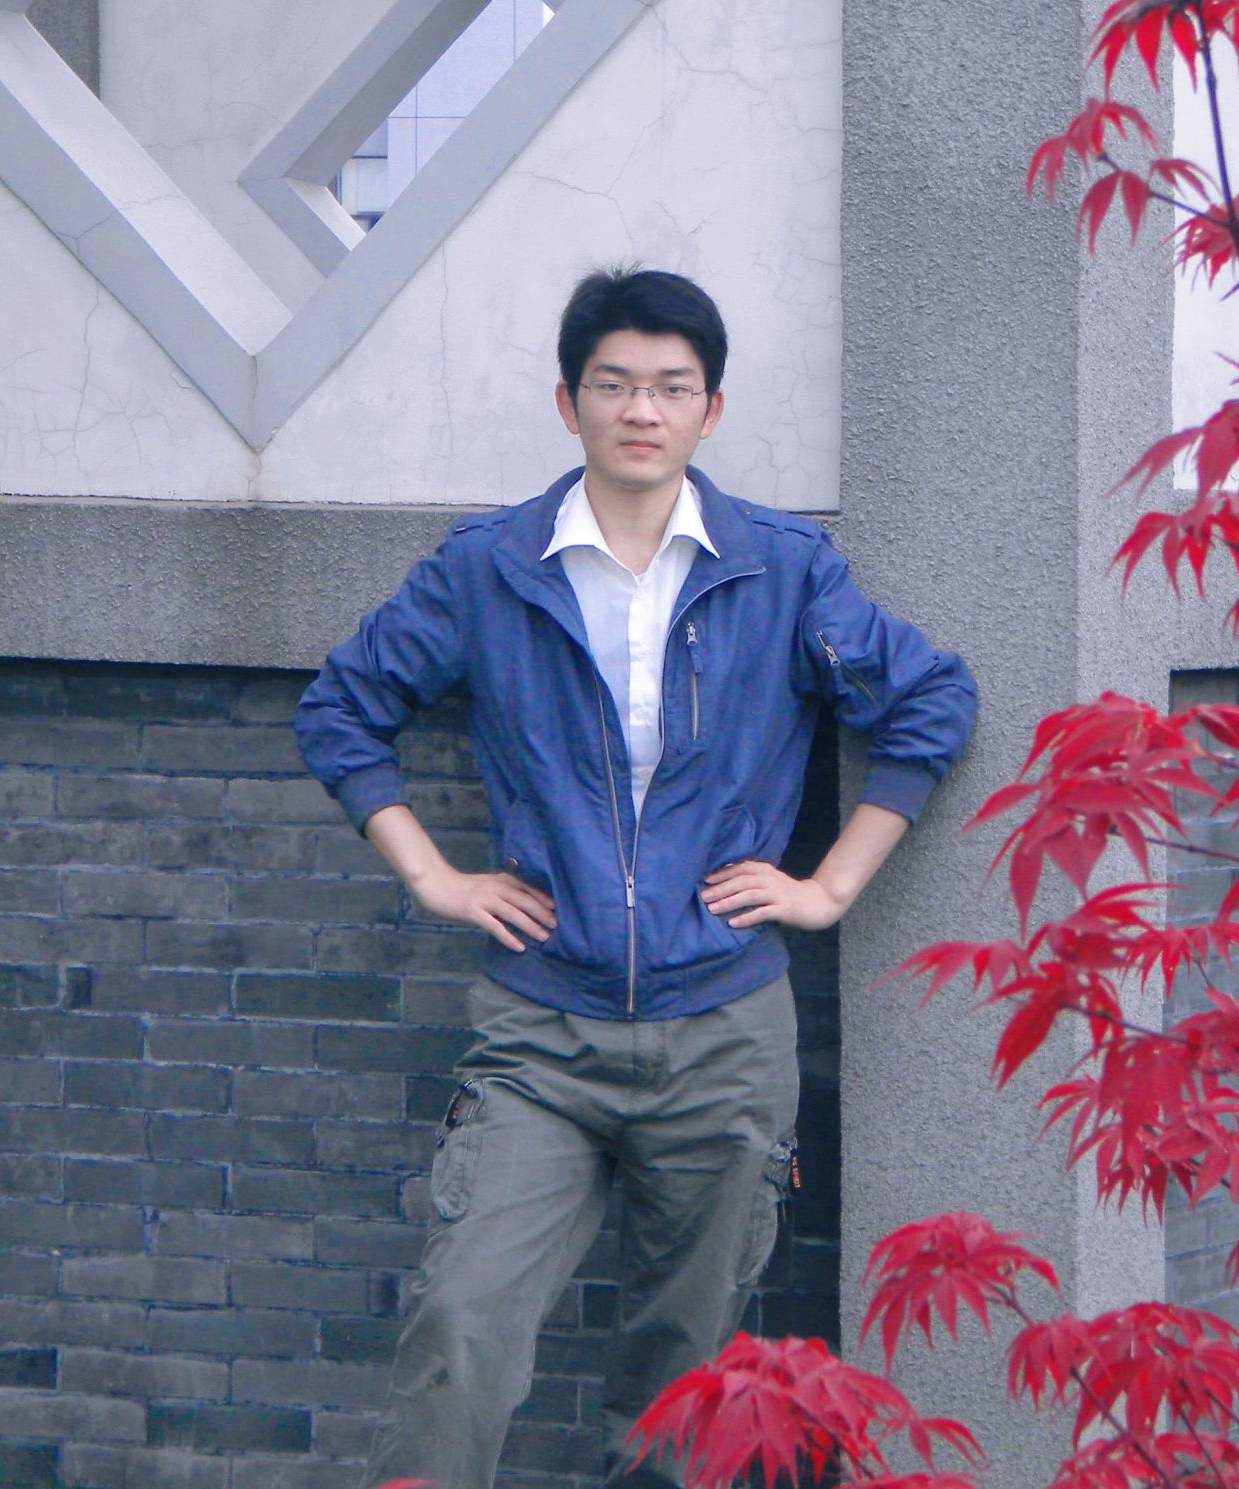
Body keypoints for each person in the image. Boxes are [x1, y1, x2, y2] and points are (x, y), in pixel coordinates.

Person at [296, 267, 977, 1488]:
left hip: (722, 1035)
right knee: (459, 1326)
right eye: (613, 384)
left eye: (671, 386)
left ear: (710, 409)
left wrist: (827, 888)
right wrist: (435, 876)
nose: (641, 410)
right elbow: (342, 706)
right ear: (569, 402)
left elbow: (928, 699)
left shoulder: (778, 568)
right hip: (538, 1032)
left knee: (682, 1382)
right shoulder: (491, 567)